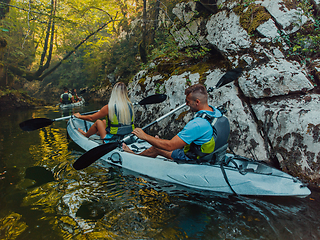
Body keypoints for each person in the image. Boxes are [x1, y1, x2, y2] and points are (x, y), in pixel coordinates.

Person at [122, 83, 230, 163]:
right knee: (161, 142)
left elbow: (170, 146)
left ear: (197, 102)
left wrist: (144, 136)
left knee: (156, 147)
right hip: (213, 154)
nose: (186, 104)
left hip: (194, 158)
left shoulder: (197, 124)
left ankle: (134, 156)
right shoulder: (217, 113)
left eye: (188, 101)